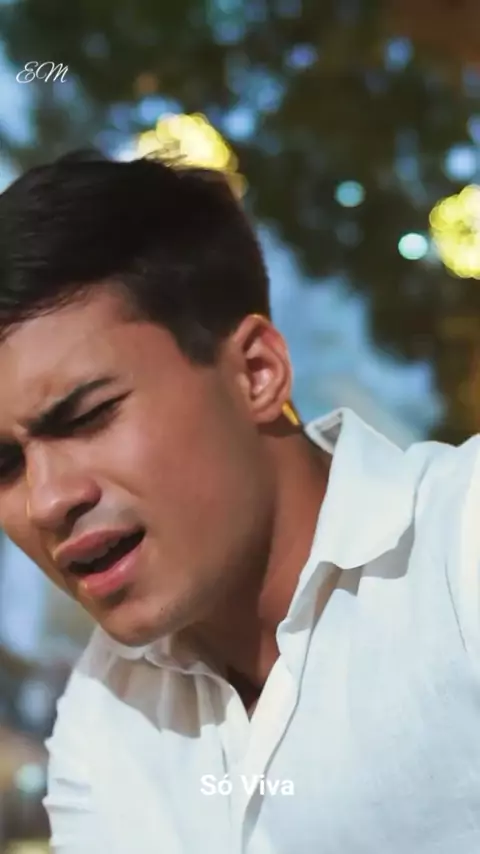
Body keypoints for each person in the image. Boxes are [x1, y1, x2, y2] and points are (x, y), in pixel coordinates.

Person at [0, 149, 479, 854]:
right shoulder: (103, 722)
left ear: (256, 372)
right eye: (5, 464)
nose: (45, 502)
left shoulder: (460, 545)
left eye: (88, 417)